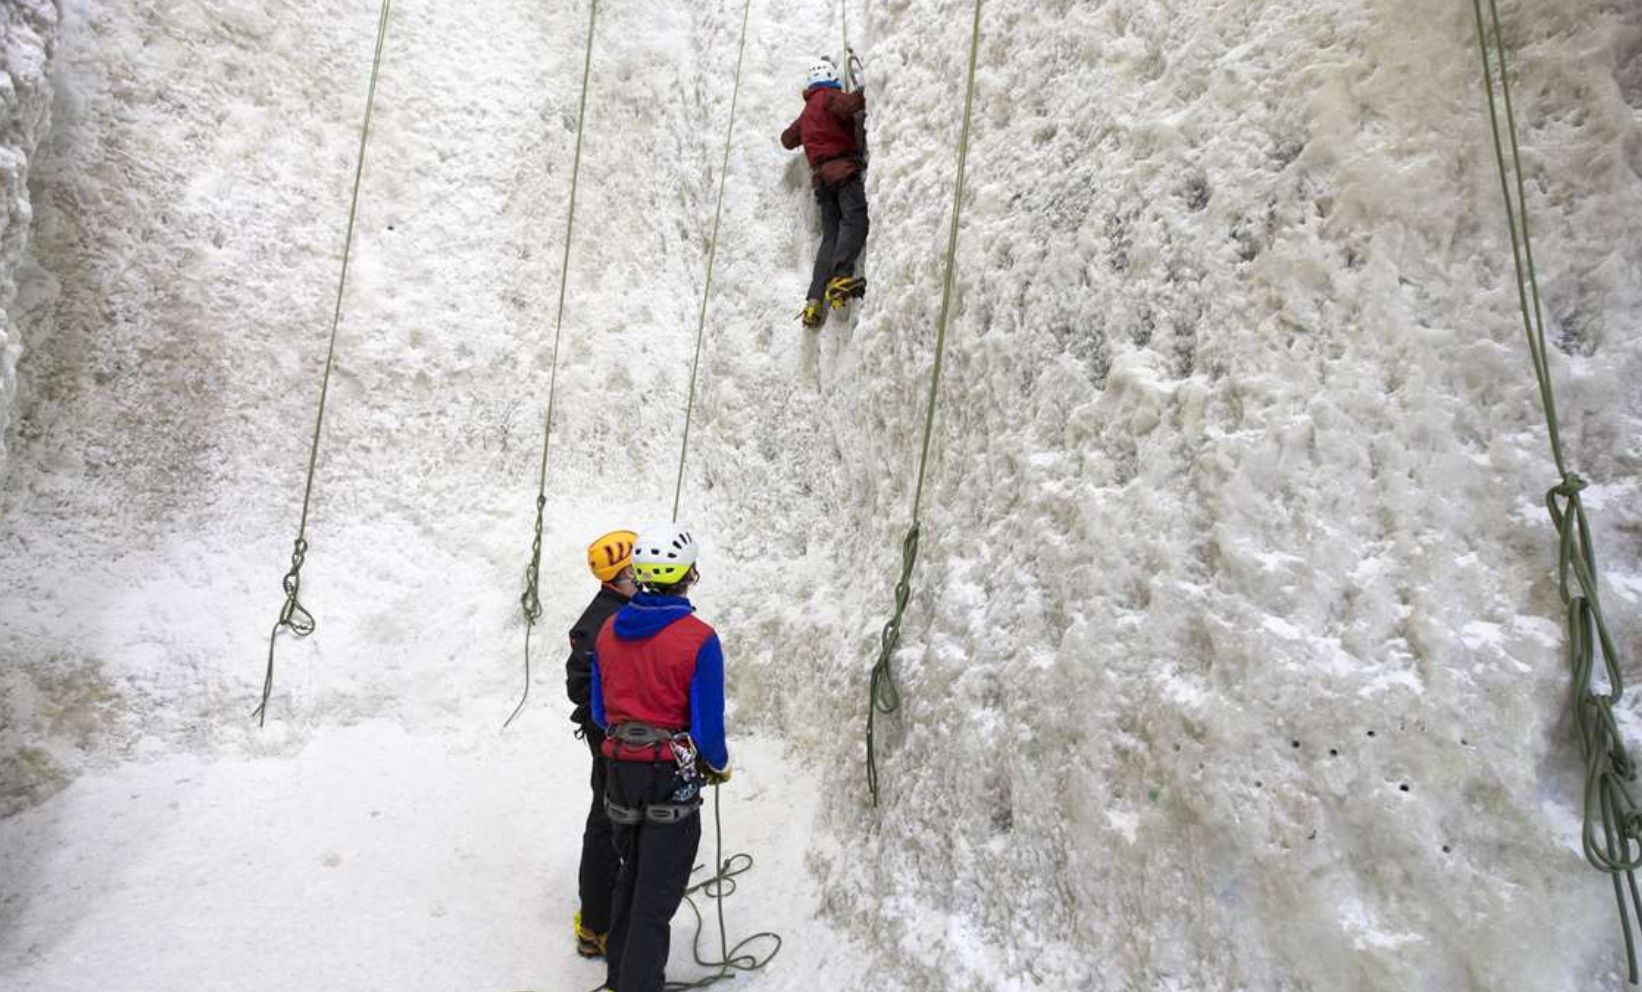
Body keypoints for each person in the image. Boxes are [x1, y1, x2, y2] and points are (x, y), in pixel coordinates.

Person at [589, 522, 730, 992]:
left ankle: (618, 977)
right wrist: (718, 764)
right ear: (689, 575)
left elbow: (597, 708)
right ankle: (637, 984)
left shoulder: (609, 630)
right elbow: (707, 728)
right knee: (657, 892)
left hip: (620, 772)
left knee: (631, 875)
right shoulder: (698, 639)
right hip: (670, 776)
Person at [566, 529, 639, 959]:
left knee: (607, 818)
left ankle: (597, 920)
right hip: (610, 739)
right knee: (608, 821)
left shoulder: (614, 610)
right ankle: (599, 922)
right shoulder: (603, 622)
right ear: (622, 573)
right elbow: (579, 686)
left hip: (607, 735)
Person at [781, 56, 869, 329]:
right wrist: (865, 89)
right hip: (843, 171)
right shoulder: (829, 97)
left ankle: (814, 301)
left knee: (830, 237)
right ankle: (841, 277)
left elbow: (787, 139)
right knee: (854, 220)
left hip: (822, 181)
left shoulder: (807, 111)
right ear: (830, 79)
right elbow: (852, 104)